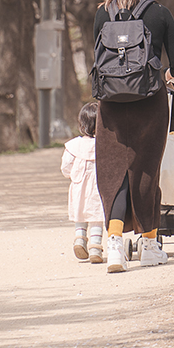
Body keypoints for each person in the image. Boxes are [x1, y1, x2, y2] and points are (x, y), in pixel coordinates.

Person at [94, 0, 174, 273]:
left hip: (111, 106)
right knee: (146, 171)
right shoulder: (159, 13)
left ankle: (115, 245)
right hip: (149, 102)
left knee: (113, 173)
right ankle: (149, 244)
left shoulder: (102, 13)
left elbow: (96, 59)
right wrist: (168, 78)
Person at [61, 101, 105, 263]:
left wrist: (71, 175)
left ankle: (80, 238)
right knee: (96, 216)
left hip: (79, 186)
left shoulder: (74, 145)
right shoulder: (103, 145)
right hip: (98, 188)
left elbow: (66, 167)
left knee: (80, 212)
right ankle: (95, 247)